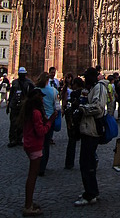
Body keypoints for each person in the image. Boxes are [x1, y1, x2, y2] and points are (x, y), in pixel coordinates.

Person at [18, 87, 56, 216]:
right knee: (32, 176)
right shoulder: (36, 113)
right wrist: (50, 121)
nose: (42, 99)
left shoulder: (29, 111)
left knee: (32, 176)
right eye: (41, 97)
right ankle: (28, 206)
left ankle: (29, 202)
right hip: (35, 146)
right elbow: (41, 131)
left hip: (29, 144)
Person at [74, 67, 108, 206]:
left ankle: (90, 194)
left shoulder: (99, 88)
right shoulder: (93, 88)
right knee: (88, 162)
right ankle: (92, 190)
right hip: (88, 129)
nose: (85, 80)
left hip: (92, 130)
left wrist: (82, 109)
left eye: (87, 77)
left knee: (86, 162)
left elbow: (98, 108)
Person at [36, 71, 59, 176]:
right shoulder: (53, 91)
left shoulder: (35, 91)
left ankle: (36, 164)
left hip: (37, 119)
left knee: (38, 143)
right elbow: (57, 107)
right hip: (50, 119)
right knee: (46, 144)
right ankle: (42, 167)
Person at [7, 66, 35, 147]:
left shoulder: (29, 82)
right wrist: (9, 105)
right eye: (21, 74)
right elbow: (12, 94)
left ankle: (19, 139)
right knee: (13, 123)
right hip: (15, 105)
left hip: (23, 105)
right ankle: (12, 139)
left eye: (23, 74)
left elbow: (33, 93)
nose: (22, 75)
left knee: (21, 123)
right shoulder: (15, 82)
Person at [64, 76, 84, 170]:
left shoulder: (74, 94)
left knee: (72, 141)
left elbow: (70, 106)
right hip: (83, 119)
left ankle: (69, 163)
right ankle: (86, 161)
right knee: (86, 141)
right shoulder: (86, 93)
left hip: (75, 119)